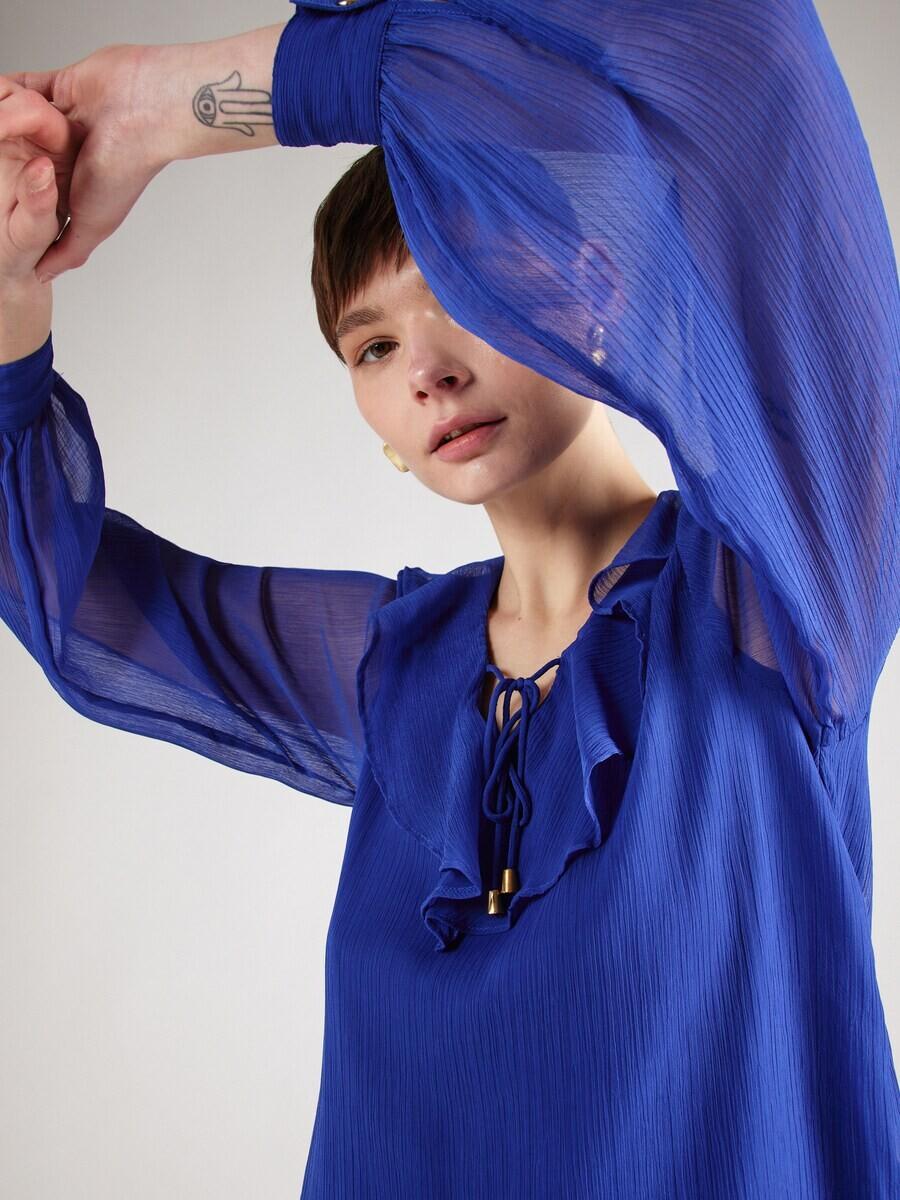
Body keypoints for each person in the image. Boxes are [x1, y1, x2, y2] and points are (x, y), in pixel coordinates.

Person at [1, 1, 898, 1195]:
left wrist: (183, 101)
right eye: (372, 346)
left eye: (465, 288)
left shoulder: (776, 592)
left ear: (595, 289)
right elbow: (79, 609)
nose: (426, 369)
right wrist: (11, 297)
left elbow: (752, 63)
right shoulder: (397, 668)